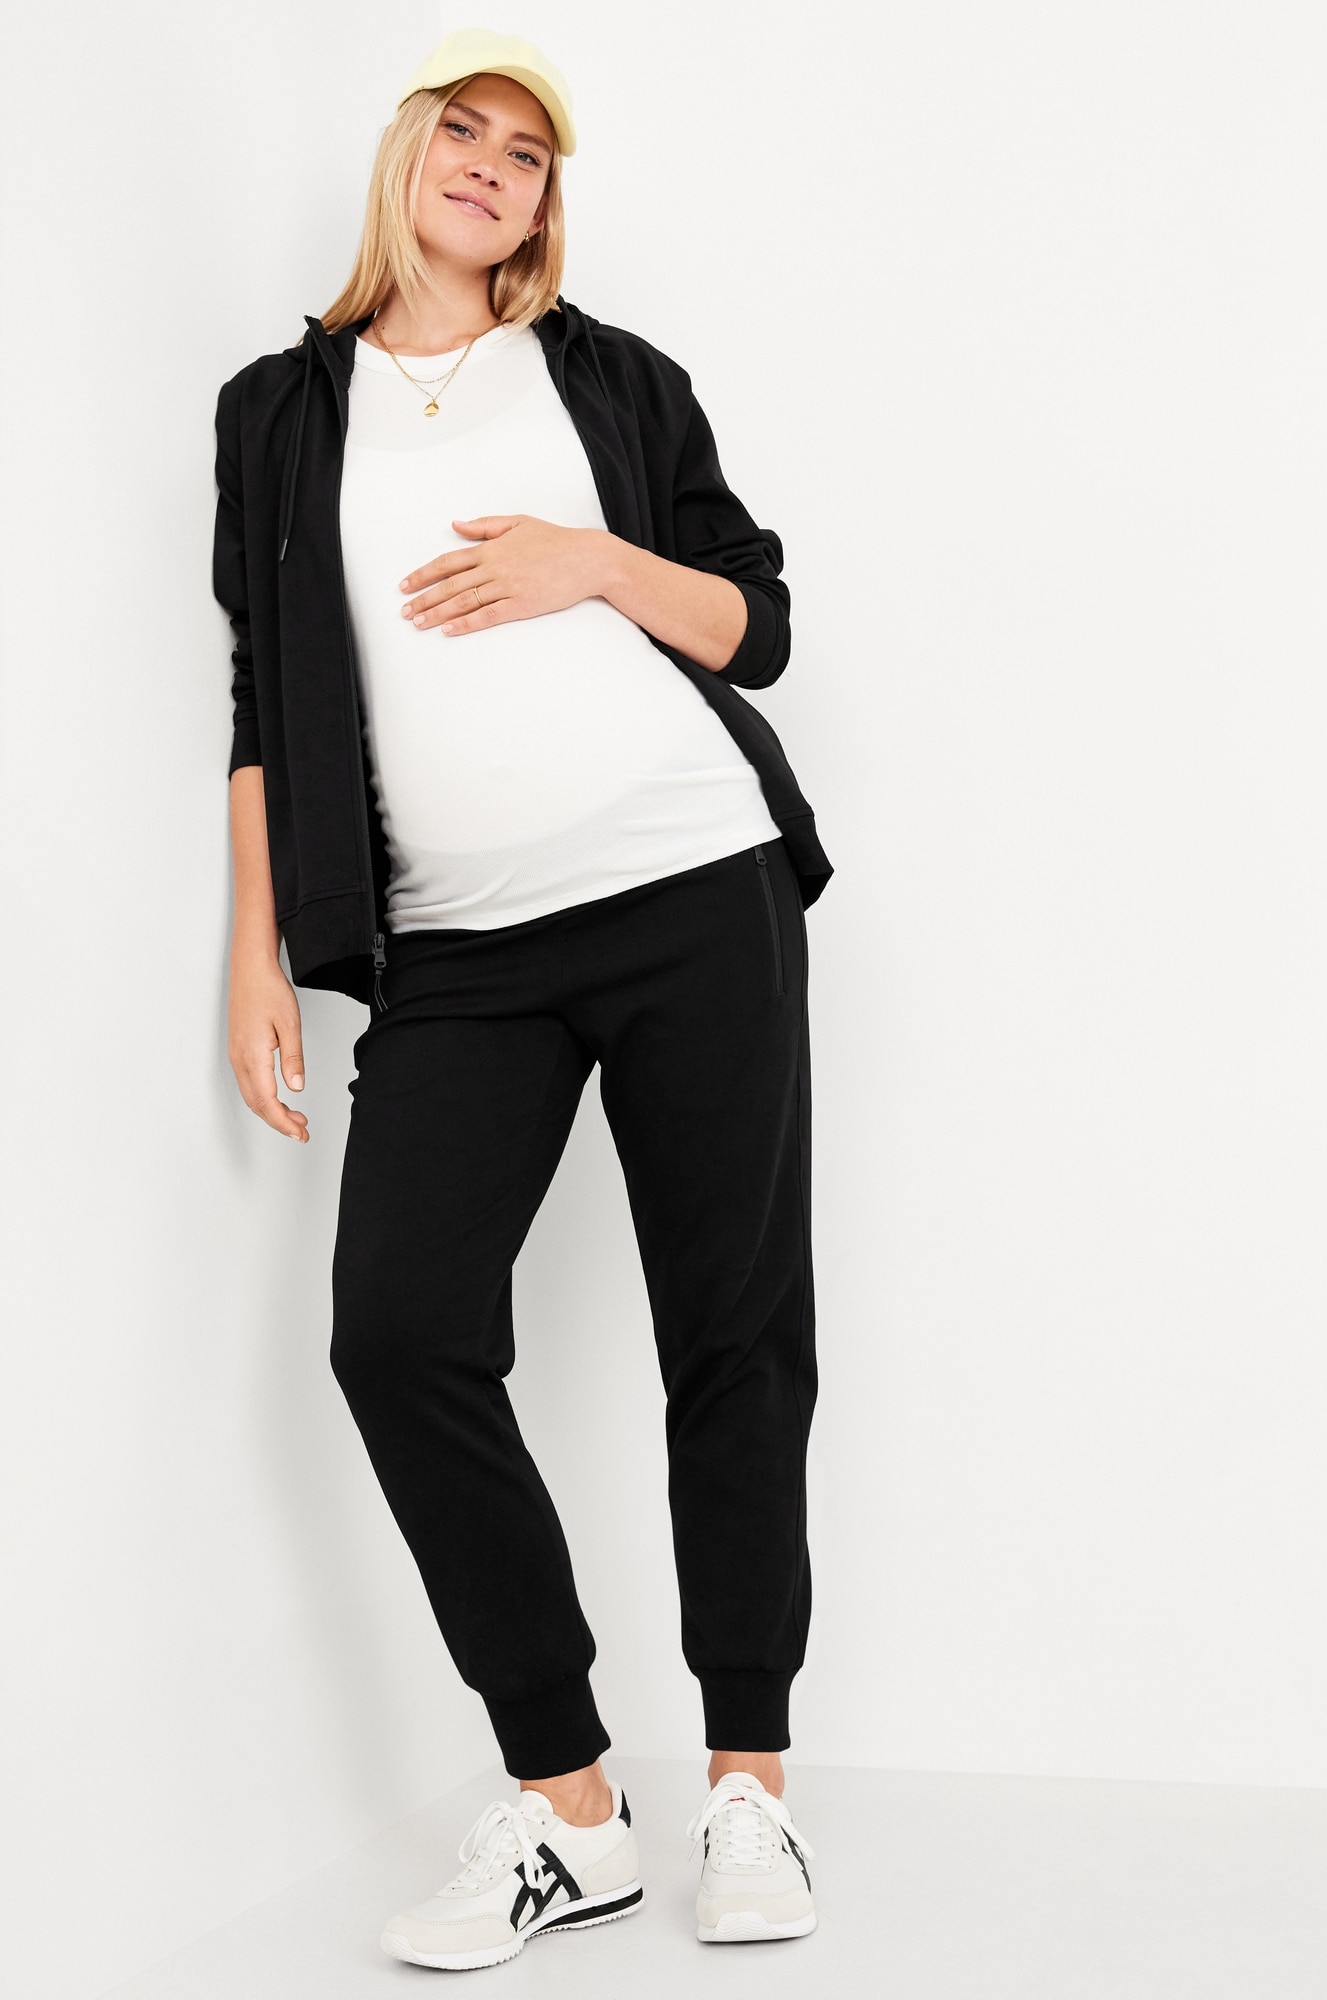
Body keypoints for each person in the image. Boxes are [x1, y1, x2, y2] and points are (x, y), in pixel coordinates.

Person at [213, 26, 831, 1971]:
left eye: (530, 152)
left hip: (690, 886)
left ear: (548, 204)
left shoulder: (609, 379)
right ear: (406, 156)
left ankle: (749, 1787)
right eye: (463, 131)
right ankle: (571, 1807)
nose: (491, 165)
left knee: (731, 1333)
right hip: (460, 951)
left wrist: (596, 562)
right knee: (396, 1333)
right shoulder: (277, 411)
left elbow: (756, 623)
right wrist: (254, 950)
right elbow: (266, 692)